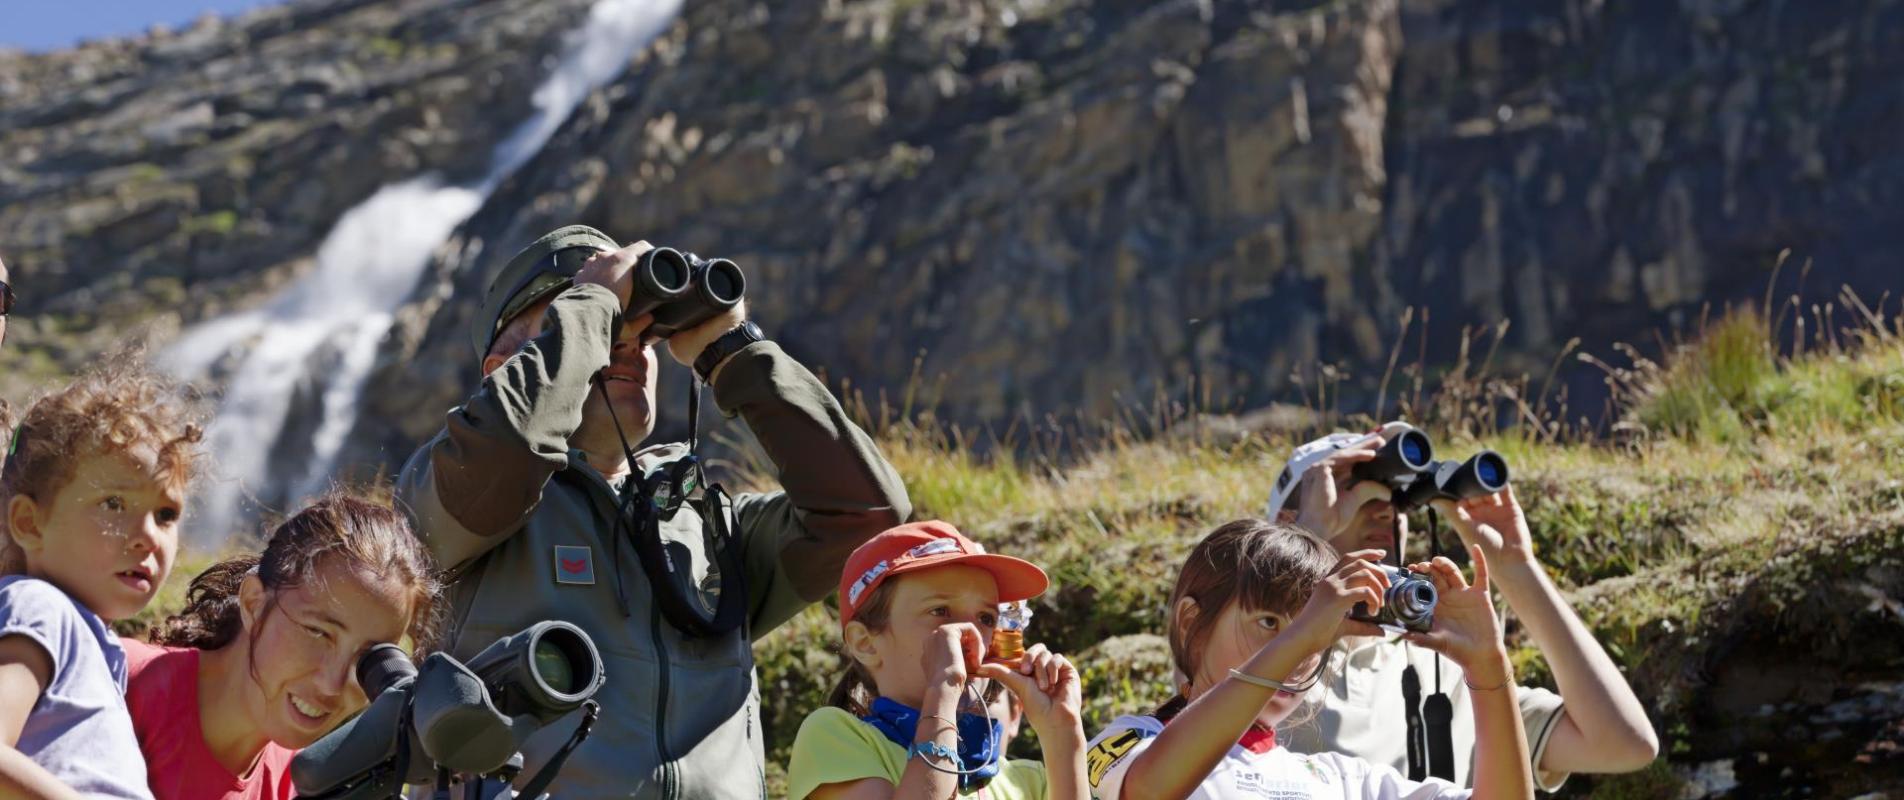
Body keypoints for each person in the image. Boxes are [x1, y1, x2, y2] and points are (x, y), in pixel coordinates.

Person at [397, 225, 911, 796]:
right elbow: (505, 451)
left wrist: (732, 352)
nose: (625, 345)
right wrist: (594, 301)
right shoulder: (452, 495)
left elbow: (869, 516)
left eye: (642, 336)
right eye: (595, 327)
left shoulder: (713, 532)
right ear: (500, 369)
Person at [1266, 422, 1657, 788]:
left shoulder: (1446, 668)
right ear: (1288, 522)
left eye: (1394, 496)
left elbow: (1622, 744)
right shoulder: (1264, 660)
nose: (1384, 508)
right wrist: (1307, 537)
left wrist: (1517, 567)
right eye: (1351, 489)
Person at [1086, 520, 1531, 800]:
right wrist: (1302, 636)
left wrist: (1488, 664)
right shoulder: (1130, 740)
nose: (1299, 651)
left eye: (1313, 628)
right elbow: (1153, 788)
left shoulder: (1341, 781)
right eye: (1268, 621)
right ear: (1190, 622)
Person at [121, 492, 440, 800]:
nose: (331, 684)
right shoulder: (117, 683)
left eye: (369, 659)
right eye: (317, 633)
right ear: (253, 604)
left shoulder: (296, 782)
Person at [0, 362, 202, 799]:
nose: (148, 536)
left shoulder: (86, 634)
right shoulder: (40, 608)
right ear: (29, 523)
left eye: (166, 514)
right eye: (114, 504)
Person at [786, 521, 1088, 800]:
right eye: (940, 611)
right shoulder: (834, 736)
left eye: (986, 618)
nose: (972, 636)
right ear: (865, 643)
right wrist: (943, 689)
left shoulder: (1028, 781)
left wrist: (1061, 732)